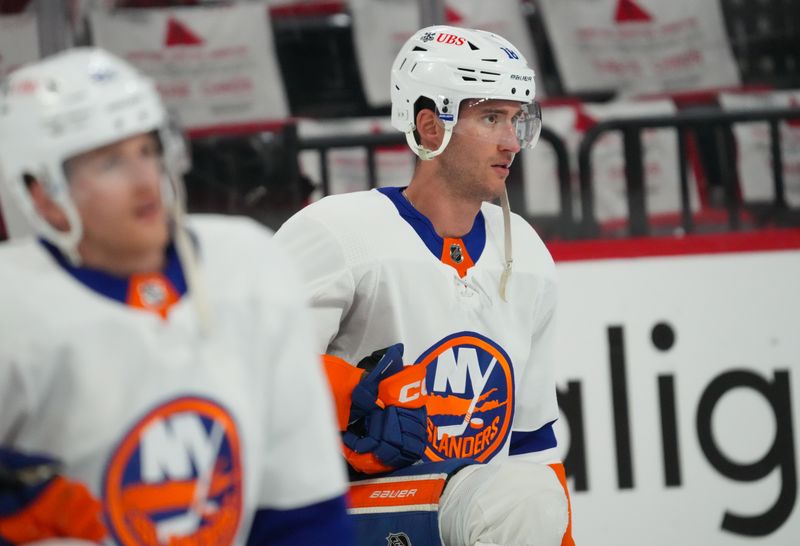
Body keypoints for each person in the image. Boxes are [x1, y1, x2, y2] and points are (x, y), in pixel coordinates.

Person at [0, 47, 352, 545]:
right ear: (42, 194)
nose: (145, 178)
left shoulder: (247, 265)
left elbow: (301, 507)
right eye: (109, 162)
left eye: (147, 150)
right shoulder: (11, 306)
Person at [275, 25, 575, 546]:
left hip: (462, 507)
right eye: (490, 118)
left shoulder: (524, 252)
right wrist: (349, 399)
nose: (511, 141)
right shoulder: (337, 233)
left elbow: (530, 442)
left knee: (524, 496)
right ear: (430, 127)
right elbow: (255, 372)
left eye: (515, 120)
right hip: (346, 504)